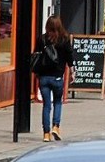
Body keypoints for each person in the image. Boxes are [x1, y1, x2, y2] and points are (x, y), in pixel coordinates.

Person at [33, 14, 76, 142]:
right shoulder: (64, 39)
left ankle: (46, 134)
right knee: (58, 102)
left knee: (46, 105)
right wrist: (73, 72)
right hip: (57, 77)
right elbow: (70, 57)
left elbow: (36, 55)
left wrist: (36, 73)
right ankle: (56, 127)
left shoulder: (42, 39)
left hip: (44, 77)